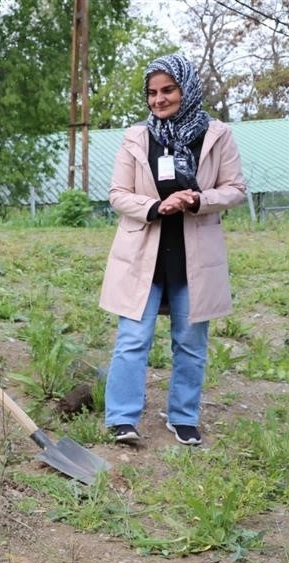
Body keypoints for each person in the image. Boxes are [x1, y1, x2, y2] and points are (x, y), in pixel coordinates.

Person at [100, 53, 246, 447]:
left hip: (194, 255)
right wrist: (155, 207)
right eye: (152, 93)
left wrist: (198, 200)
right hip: (143, 254)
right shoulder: (137, 137)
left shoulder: (217, 135)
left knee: (191, 340)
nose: (159, 100)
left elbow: (235, 189)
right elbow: (117, 194)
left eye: (168, 90)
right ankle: (122, 418)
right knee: (132, 337)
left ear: (187, 89)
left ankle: (183, 416)